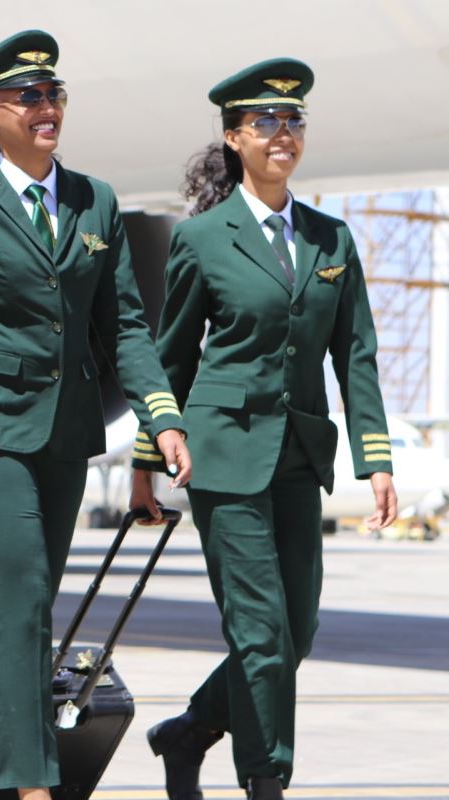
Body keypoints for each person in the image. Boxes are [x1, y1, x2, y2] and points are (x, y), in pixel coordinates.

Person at [0, 30, 191, 800]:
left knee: (21, 608)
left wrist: (162, 418)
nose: (46, 106)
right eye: (27, 97)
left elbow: (123, 325)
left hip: (60, 436)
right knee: (24, 600)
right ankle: (33, 786)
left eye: (53, 94)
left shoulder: (97, 201)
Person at [129, 58, 398, 800]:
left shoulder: (332, 240)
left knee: (295, 634)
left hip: (298, 455)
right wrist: (146, 459)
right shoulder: (204, 238)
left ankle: (187, 733)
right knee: (258, 634)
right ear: (234, 137)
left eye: (294, 121)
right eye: (268, 122)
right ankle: (265, 781)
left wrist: (377, 459)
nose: (284, 134)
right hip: (222, 456)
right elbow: (172, 356)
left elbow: (358, 356)